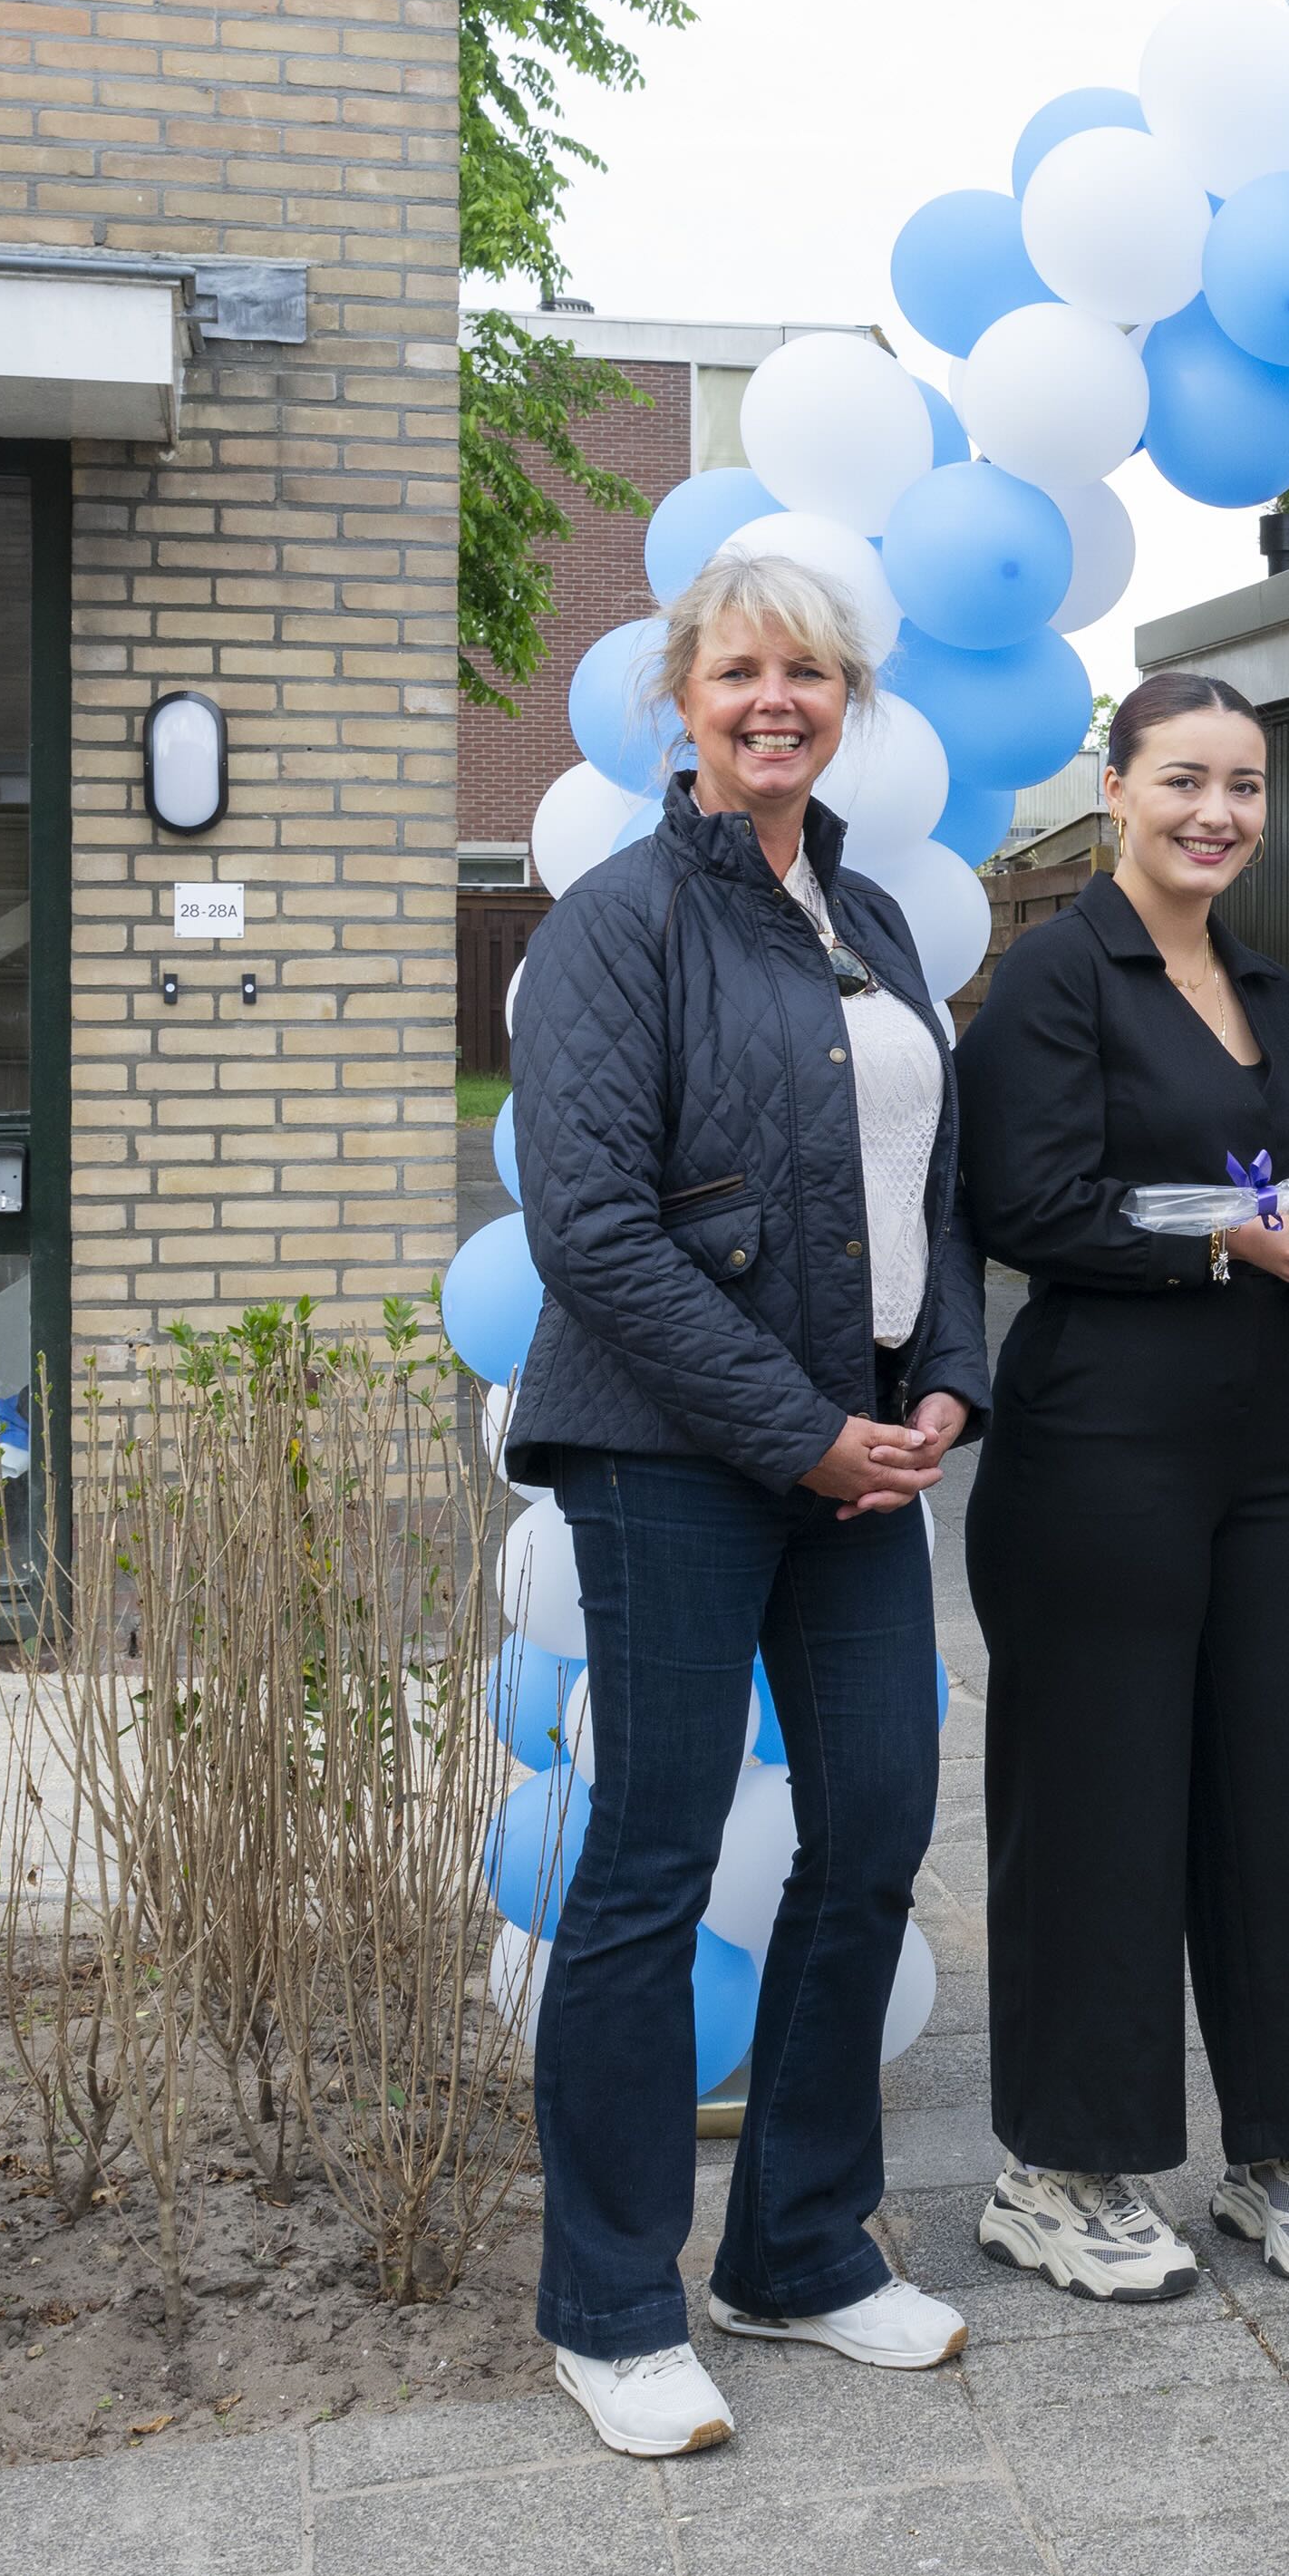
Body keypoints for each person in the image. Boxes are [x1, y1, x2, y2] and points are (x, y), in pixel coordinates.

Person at [505, 542, 990, 2461]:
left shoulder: (864, 915)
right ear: (681, 700)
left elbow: (929, 1187)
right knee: (651, 1862)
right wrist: (802, 1431)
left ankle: (795, 2249)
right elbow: (594, 1231)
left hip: (859, 1454)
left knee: (870, 1830)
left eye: (809, 671)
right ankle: (610, 2307)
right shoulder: (616, 926)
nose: (774, 700)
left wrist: (944, 1373)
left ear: (847, 701)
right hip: (674, 1459)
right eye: (739, 671)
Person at [955, 672, 1289, 2301]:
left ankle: (1287, 2149)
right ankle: (1060, 2170)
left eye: (1245, 787)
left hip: (1273, 1437)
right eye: (1186, 780)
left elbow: (1285, 1191)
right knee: (1101, 1803)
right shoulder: (1053, 978)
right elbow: (1028, 1204)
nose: (1218, 812)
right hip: (1101, 1442)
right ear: (1118, 790)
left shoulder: (1272, 987)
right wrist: (1235, 1239)